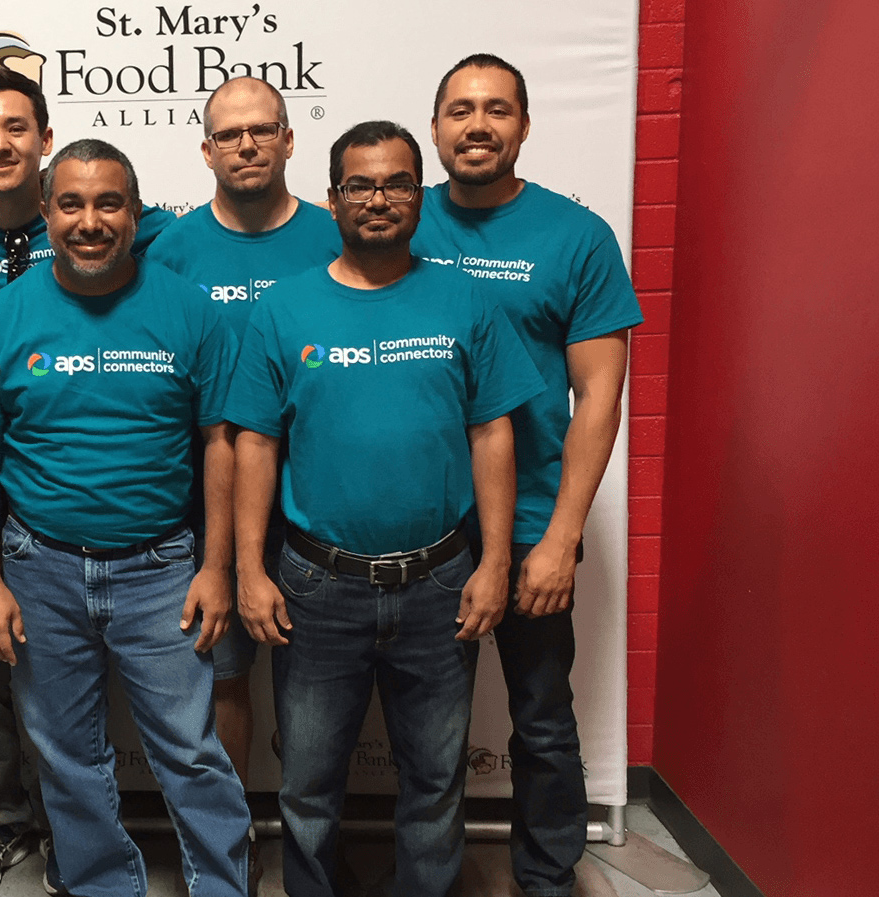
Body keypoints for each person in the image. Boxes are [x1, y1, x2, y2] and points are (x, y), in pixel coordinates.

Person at [225, 120, 544, 897]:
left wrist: (496, 561)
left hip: (440, 583)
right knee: (304, 789)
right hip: (314, 586)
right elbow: (254, 447)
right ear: (331, 198)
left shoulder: (461, 298)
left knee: (434, 785)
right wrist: (247, 570)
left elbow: (492, 432)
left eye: (396, 183)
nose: (378, 200)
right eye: (360, 185)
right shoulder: (281, 309)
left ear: (417, 195)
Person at [0, 139, 250, 897]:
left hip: (162, 570)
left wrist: (215, 566)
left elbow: (220, 445)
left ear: (136, 216)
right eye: (70, 203)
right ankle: (102, 884)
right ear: (44, 214)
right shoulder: (7, 315)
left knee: (192, 752)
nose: (89, 220)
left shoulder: (189, 310)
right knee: (67, 755)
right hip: (39, 568)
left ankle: (224, 886)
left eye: (108, 202)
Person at [0, 67, 175, 897]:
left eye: (16, 127)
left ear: (45, 139)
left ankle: (77, 834)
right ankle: (2, 819)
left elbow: (249, 244)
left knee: (84, 693)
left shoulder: (144, 229)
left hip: (100, 494)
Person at [414, 53, 644, 897]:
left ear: (523, 125)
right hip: (422, 532)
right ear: (434, 125)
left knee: (541, 719)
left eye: (497, 109)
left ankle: (547, 877)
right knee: (424, 731)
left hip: (532, 520)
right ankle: (426, 876)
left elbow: (598, 395)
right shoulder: (396, 220)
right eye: (460, 109)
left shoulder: (573, 236)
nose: (478, 125)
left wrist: (559, 537)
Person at [143, 78, 339, 872]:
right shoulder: (174, 251)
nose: (247, 145)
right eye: (229, 135)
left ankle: (311, 853)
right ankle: (228, 847)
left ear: (290, 140)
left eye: (263, 130)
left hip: (319, 509)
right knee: (223, 688)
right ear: (206, 150)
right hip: (201, 512)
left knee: (313, 705)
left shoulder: (338, 237)